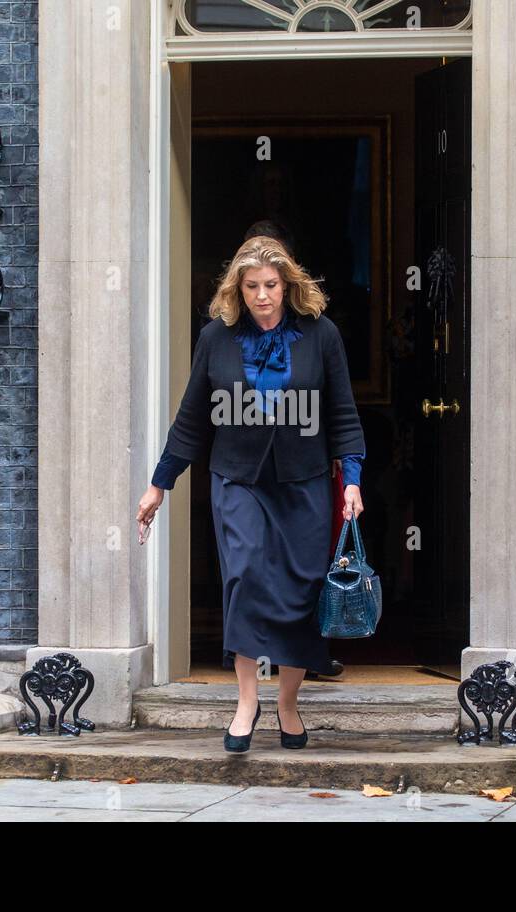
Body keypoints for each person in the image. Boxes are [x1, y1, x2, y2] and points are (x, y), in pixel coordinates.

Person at [135, 235, 366, 752]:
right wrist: (159, 484)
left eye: (271, 285)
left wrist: (351, 479)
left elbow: (343, 415)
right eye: (252, 286)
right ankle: (245, 701)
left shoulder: (321, 335)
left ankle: (287, 702)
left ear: (287, 285)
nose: (263, 295)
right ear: (237, 288)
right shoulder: (216, 338)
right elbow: (192, 418)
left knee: (301, 588)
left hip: (304, 482)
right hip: (237, 479)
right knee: (243, 575)